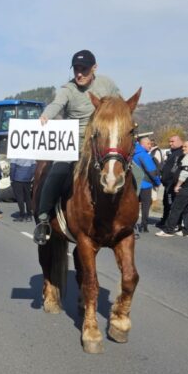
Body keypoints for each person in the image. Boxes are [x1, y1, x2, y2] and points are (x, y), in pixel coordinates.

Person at [33, 49, 120, 244]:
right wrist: (46, 115)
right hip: (73, 145)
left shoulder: (107, 84)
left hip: (102, 145)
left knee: (134, 173)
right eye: (76, 69)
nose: (79, 74)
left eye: (84, 69)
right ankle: (43, 218)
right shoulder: (68, 89)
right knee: (56, 173)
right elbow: (57, 104)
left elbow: (119, 103)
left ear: (94, 68)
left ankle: (126, 221)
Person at [156, 140, 188, 238]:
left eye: (186, 147)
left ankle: (168, 230)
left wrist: (178, 185)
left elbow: (185, 173)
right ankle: (187, 231)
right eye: (183, 147)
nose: (183, 149)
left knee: (176, 208)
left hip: (186, 186)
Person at [133, 135, 161, 235]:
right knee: (146, 204)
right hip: (145, 184)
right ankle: (144, 225)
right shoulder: (144, 155)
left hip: (134, 184)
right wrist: (157, 182)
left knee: (134, 205)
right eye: (148, 143)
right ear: (142, 144)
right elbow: (151, 171)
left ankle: (131, 223)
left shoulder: (133, 153)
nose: (150, 145)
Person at [156, 134, 183, 230]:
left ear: (180, 141)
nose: (170, 143)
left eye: (172, 141)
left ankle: (174, 223)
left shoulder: (180, 153)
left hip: (173, 183)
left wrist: (172, 180)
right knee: (166, 203)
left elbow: (175, 169)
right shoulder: (172, 152)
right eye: (169, 141)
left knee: (172, 204)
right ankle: (165, 220)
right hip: (167, 183)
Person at [9, 157, 35, 221]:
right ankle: (29, 215)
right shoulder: (30, 154)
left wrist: (12, 178)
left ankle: (22, 215)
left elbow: (12, 167)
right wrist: (31, 176)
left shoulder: (16, 154)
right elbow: (34, 166)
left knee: (19, 197)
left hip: (17, 178)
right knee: (28, 197)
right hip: (27, 179)